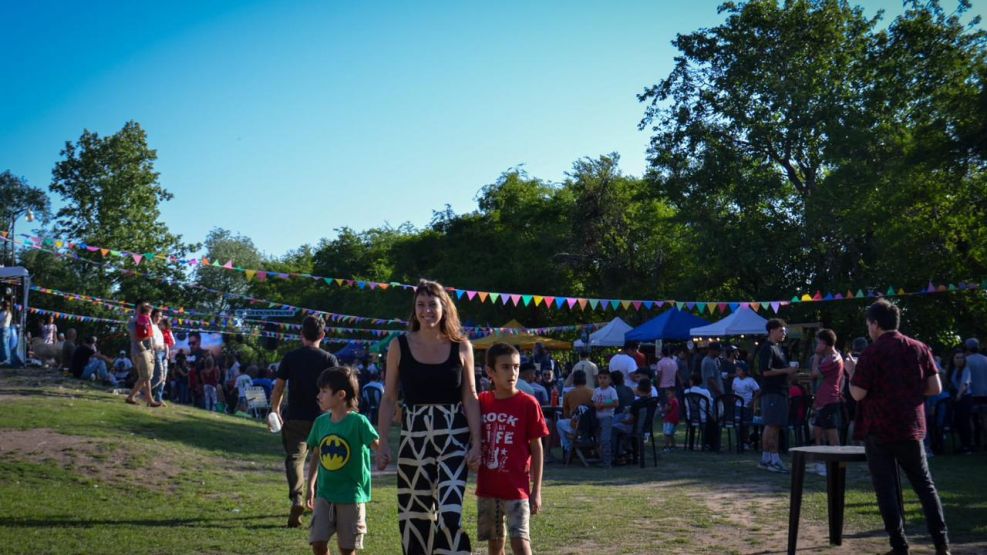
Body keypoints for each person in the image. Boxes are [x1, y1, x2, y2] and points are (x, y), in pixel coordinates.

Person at [376, 279, 480, 555]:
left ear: (444, 308)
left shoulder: (462, 347)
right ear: (414, 309)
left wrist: (478, 442)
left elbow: (470, 396)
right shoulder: (399, 345)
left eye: (432, 305)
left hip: (454, 438)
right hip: (414, 438)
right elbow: (389, 397)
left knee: (450, 512)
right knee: (415, 517)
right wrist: (383, 441)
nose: (426, 311)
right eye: (420, 305)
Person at [848, 300, 950, 555]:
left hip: (879, 428)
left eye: (869, 324)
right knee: (925, 486)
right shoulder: (918, 348)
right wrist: (910, 393)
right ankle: (941, 544)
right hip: (910, 426)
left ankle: (899, 545)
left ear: (875, 324)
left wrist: (851, 372)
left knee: (886, 489)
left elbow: (858, 394)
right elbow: (935, 388)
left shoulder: (871, 353)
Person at [476, 343, 548, 555]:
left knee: (520, 542)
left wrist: (537, 491)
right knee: (494, 544)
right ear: (490, 371)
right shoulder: (481, 401)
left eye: (516, 367)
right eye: (505, 367)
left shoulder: (528, 403)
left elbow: (537, 448)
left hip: (517, 487)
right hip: (488, 487)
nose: (513, 372)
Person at [269, 315, 340, 528]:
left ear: (301, 335)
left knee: (295, 459)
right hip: (323, 417)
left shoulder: (290, 357)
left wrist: (275, 409)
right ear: (323, 335)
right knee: (323, 461)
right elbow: (336, 391)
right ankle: (319, 502)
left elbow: (279, 387)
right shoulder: (329, 359)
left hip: (295, 417)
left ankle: (298, 498)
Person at [305, 367, 380, 555]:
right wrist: (310, 486)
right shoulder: (320, 423)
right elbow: (316, 455)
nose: (318, 395)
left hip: (351, 496)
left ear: (340, 395)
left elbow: (379, 446)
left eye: (324, 391)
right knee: (317, 542)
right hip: (325, 494)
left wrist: (383, 454)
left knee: (347, 549)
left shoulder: (359, 422)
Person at [757, 318, 795, 472]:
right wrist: (786, 371)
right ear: (772, 331)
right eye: (781, 330)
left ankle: (768, 459)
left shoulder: (778, 347)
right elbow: (765, 371)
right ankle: (772, 459)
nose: (784, 333)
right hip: (772, 391)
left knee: (775, 425)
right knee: (771, 425)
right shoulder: (767, 348)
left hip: (780, 391)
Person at [810, 329, 844, 476]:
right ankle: (820, 463)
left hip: (829, 400)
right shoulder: (830, 357)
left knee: (831, 434)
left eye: (818, 342)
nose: (816, 345)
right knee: (817, 431)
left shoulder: (833, 358)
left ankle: (837, 464)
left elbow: (814, 374)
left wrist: (817, 355)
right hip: (823, 400)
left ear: (824, 343)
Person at [125, 302, 160, 407]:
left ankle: (149, 400)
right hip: (139, 351)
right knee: (146, 375)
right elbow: (134, 337)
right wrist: (144, 348)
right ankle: (131, 396)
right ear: (138, 309)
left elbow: (150, 338)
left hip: (148, 351)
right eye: (143, 307)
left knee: (146, 377)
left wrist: (152, 350)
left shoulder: (147, 321)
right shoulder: (133, 321)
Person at [557, 369, 593, 457]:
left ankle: (568, 447)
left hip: (576, 425)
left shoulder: (568, 394)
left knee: (559, 423)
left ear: (574, 380)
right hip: (592, 425)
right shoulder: (592, 392)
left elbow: (566, 414)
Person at [946, 349, 973, 453]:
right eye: (957, 357)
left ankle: (967, 446)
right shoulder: (952, 370)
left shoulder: (966, 369)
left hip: (965, 398)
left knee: (964, 422)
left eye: (962, 357)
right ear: (953, 359)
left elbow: (964, 384)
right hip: (956, 398)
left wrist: (959, 395)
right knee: (958, 422)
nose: (960, 360)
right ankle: (963, 445)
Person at [963, 338, 987, 451]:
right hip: (985, 393)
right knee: (984, 418)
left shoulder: (966, 360)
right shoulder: (985, 359)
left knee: (972, 418)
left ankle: (973, 442)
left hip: (972, 394)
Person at [592, 369, 618, 468]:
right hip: (597, 417)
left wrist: (604, 404)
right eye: (600, 378)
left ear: (610, 379)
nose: (602, 380)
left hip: (607, 417)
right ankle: (602, 459)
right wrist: (596, 405)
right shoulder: (596, 390)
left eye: (605, 378)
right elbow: (593, 402)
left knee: (606, 440)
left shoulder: (612, 390)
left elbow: (616, 403)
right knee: (599, 440)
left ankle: (607, 462)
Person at [731, 364, 759, 448]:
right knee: (737, 423)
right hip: (737, 405)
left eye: (739, 370)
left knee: (745, 424)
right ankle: (739, 441)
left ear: (744, 371)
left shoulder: (750, 380)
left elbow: (758, 391)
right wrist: (733, 398)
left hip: (746, 405)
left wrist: (753, 401)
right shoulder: (735, 380)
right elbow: (733, 390)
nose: (737, 371)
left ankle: (746, 441)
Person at [150, 309, 169, 406]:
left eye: (160, 316)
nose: (158, 318)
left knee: (162, 378)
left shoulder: (157, 328)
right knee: (158, 377)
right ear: (152, 316)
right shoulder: (151, 326)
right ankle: (142, 393)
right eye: (157, 316)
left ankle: (156, 398)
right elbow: (151, 342)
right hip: (156, 353)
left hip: (161, 353)